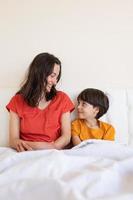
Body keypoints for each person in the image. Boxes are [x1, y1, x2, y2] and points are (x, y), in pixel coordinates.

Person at [6, 52, 74, 152]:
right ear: (39, 74)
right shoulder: (17, 101)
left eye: (57, 77)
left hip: (53, 153)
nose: (55, 81)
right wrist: (41, 146)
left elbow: (66, 137)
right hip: (25, 152)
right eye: (52, 76)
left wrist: (52, 147)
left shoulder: (62, 99)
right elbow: (13, 140)